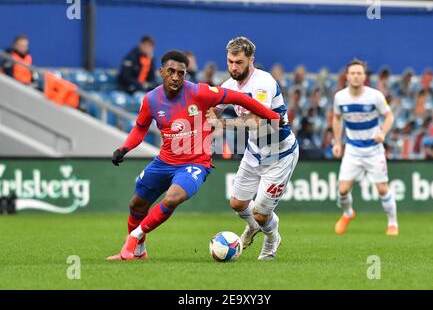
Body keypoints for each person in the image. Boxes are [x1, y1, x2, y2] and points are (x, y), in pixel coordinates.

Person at [107, 50, 283, 261]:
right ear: (161, 71)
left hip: (195, 163)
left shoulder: (199, 92)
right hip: (165, 160)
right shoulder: (151, 100)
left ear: (185, 74)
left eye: (181, 73)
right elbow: (140, 129)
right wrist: (124, 148)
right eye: (171, 71)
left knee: (173, 198)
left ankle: (134, 237)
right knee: (136, 204)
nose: (175, 77)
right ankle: (139, 252)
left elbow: (241, 98)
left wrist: (272, 116)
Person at [207, 37, 298, 260]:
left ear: (251, 60)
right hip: (255, 150)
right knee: (238, 203)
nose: (233, 67)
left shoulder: (263, 82)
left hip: (280, 154)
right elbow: (212, 111)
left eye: (238, 62)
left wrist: (221, 124)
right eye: (230, 61)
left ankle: (272, 239)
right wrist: (206, 116)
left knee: (260, 213)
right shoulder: (228, 85)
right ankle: (254, 227)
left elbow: (256, 120)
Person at [332, 59, 399, 236]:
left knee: (382, 189)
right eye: (352, 73)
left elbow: (389, 116)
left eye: (359, 73)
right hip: (353, 150)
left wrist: (383, 133)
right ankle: (348, 213)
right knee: (342, 190)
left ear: (364, 76)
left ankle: (393, 223)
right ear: (347, 76)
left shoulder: (375, 96)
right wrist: (338, 142)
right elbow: (337, 118)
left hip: (374, 150)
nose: (355, 76)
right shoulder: (340, 97)